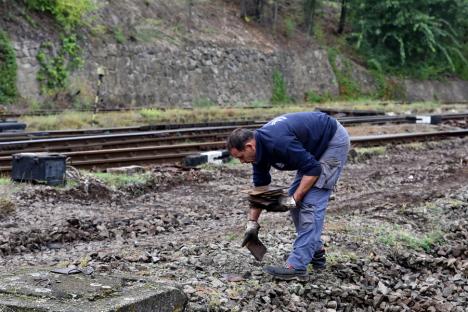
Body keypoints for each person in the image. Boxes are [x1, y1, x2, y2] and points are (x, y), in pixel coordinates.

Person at [227, 111, 350, 281]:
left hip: (331, 141)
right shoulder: (258, 153)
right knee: (294, 202)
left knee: (309, 204)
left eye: (241, 157)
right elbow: (260, 190)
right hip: (312, 150)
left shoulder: (278, 143)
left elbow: (314, 169)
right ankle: (315, 251)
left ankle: (297, 267)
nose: (241, 162)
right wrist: (252, 224)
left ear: (249, 147)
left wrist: (295, 199)